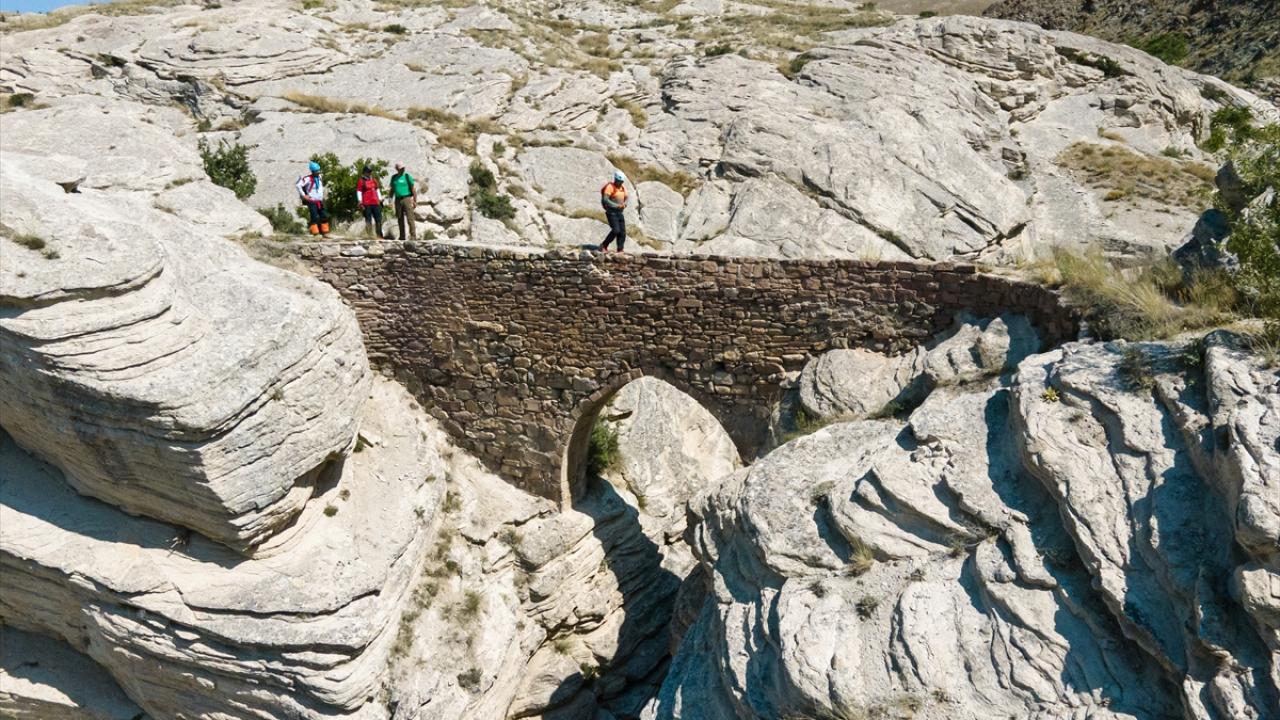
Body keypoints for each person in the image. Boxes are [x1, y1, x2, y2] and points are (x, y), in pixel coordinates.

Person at [296, 161, 329, 236]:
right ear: (313, 171)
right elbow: (298, 185)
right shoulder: (308, 179)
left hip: (319, 201)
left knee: (324, 216)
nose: (318, 172)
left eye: (318, 170)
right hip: (312, 201)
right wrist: (304, 195)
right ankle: (315, 233)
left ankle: (325, 232)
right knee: (314, 216)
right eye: (316, 171)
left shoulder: (320, 177)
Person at [599, 170, 628, 252]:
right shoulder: (610, 187)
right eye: (619, 181)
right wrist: (616, 206)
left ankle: (620, 249)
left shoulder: (623, 188)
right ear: (615, 179)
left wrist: (625, 204)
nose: (620, 183)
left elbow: (626, 197)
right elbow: (605, 199)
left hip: (620, 212)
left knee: (622, 232)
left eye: (622, 181)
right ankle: (604, 245)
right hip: (611, 212)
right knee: (616, 230)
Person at [356, 165, 386, 239]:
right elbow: (359, 191)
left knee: (378, 219)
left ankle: (379, 235)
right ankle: (370, 236)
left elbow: (377, 190)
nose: (369, 173)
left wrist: (380, 198)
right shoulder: (361, 181)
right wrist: (360, 201)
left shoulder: (374, 180)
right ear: (364, 172)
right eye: (368, 172)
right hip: (367, 203)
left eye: (370, 172)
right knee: (368, 220)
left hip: (375, 202)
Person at [389, 162, 417, 241]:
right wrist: (390, 200)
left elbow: (413, 189)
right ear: (397, 169)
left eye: (403, 168)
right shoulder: (394, 177)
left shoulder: (407, 176)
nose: (402, 169)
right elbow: (392, 190)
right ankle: (402, 236)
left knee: (410, 218)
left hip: (407, 198)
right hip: (398, 199)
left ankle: (413, 236)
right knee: (400, 218)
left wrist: (415, 200)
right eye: (401, 168)